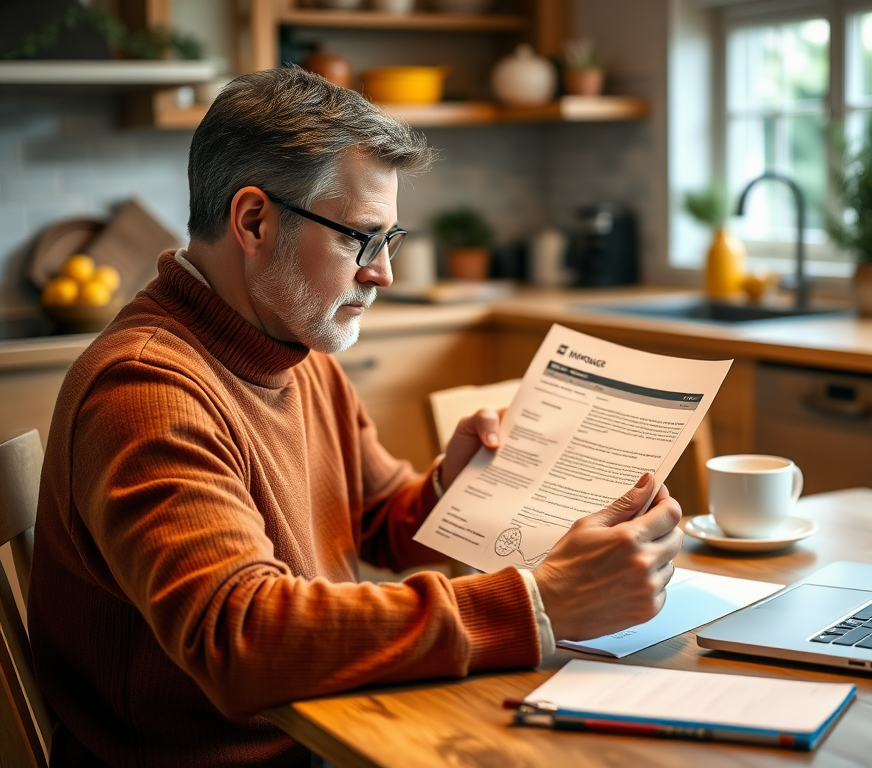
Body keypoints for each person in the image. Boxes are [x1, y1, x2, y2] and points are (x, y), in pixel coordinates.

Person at [28, 67, 683, 768]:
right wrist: (539, 604)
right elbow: (240, 639)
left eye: (390, 238)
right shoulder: (145, 390)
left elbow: (373, 517)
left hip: (329, 729)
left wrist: (448, 490)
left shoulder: (293, 347)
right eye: (360, 239)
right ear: (254, 220)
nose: (384, 274)